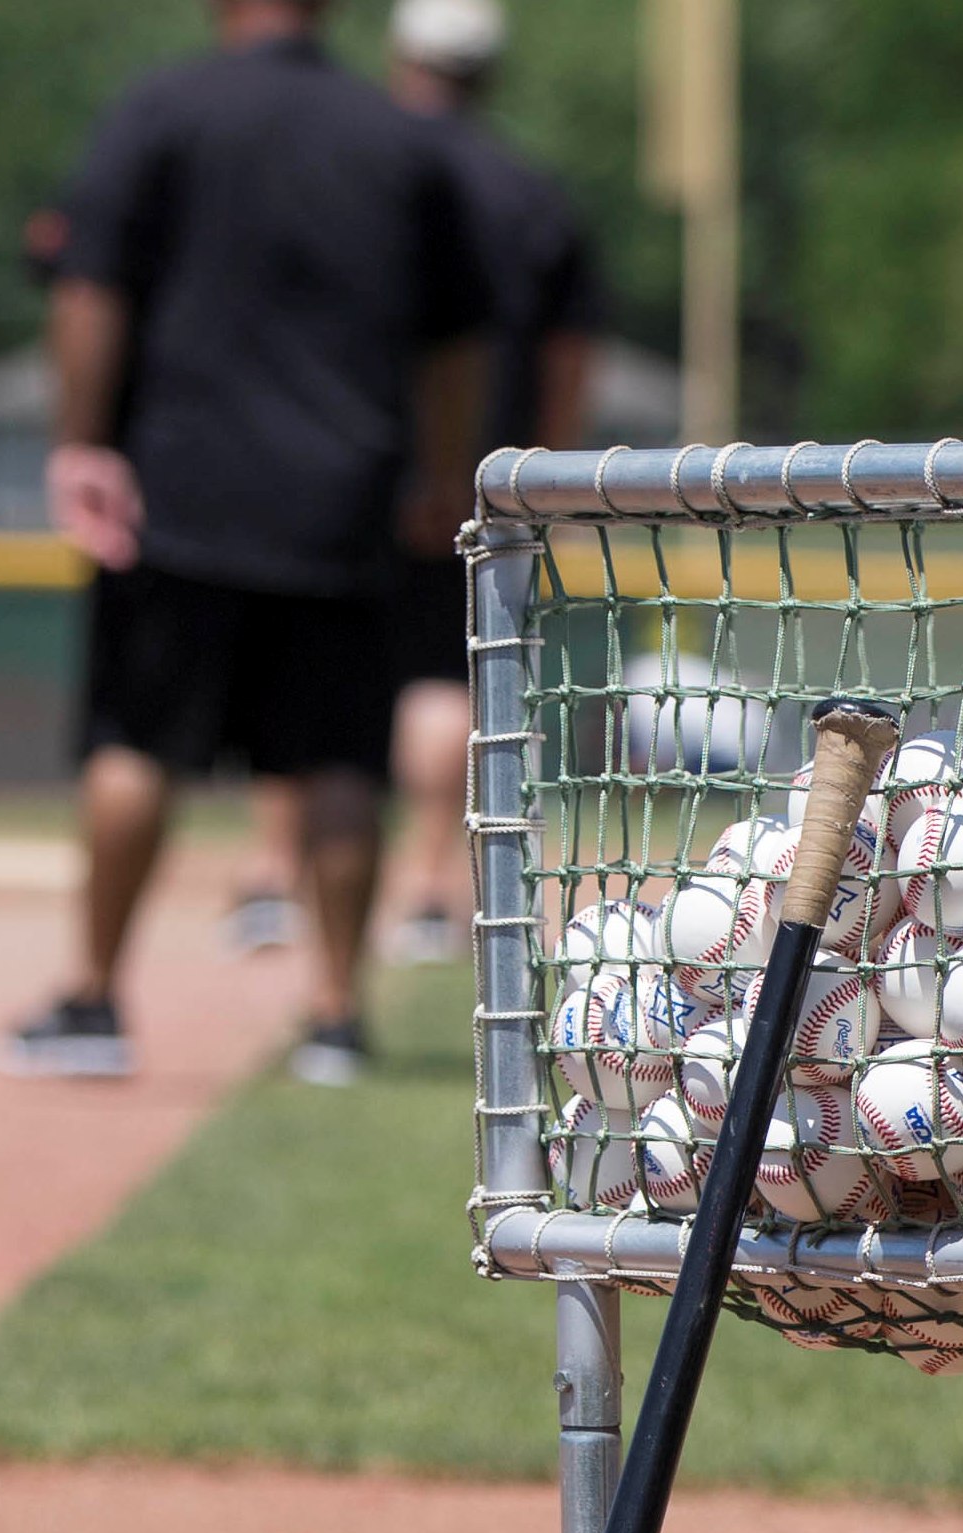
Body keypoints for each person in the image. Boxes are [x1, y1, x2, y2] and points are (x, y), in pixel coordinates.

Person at [0, 0, 489, 1083]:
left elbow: (90, 286)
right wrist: (441, 470)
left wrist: (81, 444)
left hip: (177, 492)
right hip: (339, 496)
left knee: (135, 745)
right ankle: (333, 1017)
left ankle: (92, 1002)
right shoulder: (394, 137)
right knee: (335, 761)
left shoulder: (164, 109)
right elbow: (455, 337)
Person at [381, 0, 603, 965]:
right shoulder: (529, 190)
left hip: (355, 466)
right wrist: (541, 466)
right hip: (488, 477)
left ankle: (309, 879)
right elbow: (568, 349)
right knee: (463, 677)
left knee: (352, 691)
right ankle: (448, 886)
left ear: (401, 57)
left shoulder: (363, 165)